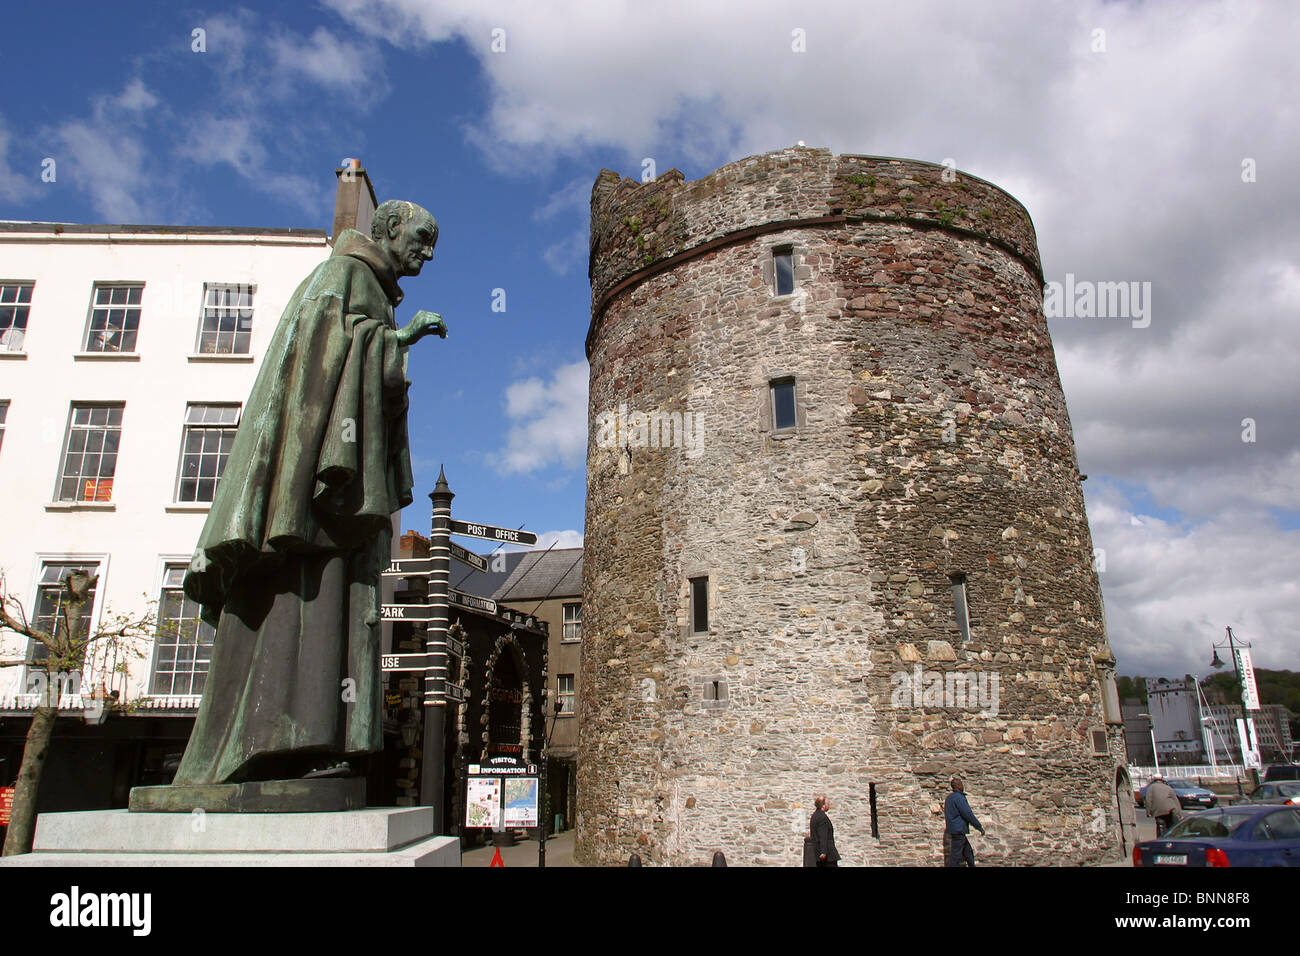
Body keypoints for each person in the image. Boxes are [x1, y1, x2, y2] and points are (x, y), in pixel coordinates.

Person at [172, 200, 447, 786]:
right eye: (422, 239)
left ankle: (309, 744)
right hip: (316, 491)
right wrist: (395, 340)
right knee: (302, 606)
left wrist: (391, 349)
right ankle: (269, 743)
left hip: (335, 500)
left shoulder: (368, 285)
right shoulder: (342, 274)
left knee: (336, 605)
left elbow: (370, 375)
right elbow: (321, 359)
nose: (428, 252)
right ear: (390, 229)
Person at [944, 777, 985, 866]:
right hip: (959, 829)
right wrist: (979, 827)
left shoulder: (949, 798)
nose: (963, 786)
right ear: (958, 785)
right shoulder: (959, 797)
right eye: (961, 784)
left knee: (968, 852)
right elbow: (967, 814)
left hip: (954, 829)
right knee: (955, 856)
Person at [810, 794, 841, 867]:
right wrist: (823, 852)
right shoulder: (822, 817)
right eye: (827, 803)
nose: (829, 805)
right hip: (827, 856)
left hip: (818, 854)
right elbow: (823, 835)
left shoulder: (814, 816)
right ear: (823, 805)